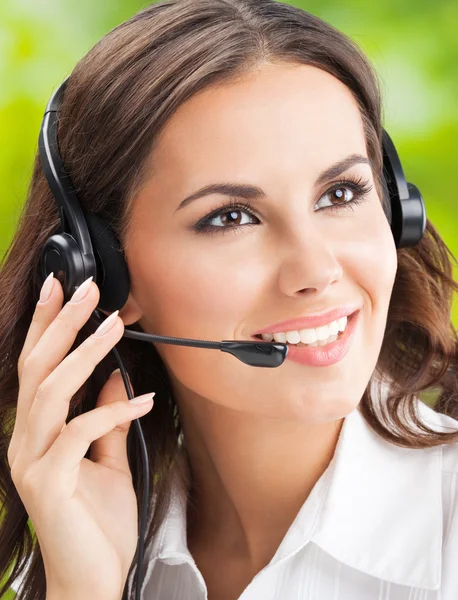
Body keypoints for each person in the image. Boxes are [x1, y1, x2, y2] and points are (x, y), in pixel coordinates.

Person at [1, 0, 458, 598]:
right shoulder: (93, 543)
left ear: (396, 208)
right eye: (232, 217)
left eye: (341, 193)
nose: (316, 270)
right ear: (105, 271)